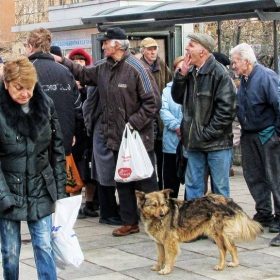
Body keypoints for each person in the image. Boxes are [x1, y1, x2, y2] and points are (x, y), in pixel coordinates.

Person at [52, 27, 161, 236]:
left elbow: (153, 102)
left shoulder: (137, 68)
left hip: (137, 138)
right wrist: (62, 61)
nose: (102, 46)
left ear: (117, 45)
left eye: (106, 42)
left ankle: (161, 222)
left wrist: (133, 123)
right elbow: (83, 73)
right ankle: (130, 222)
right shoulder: (103, 67)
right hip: (117, 139)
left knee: (147, 181)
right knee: (123, 179)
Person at [0, 56, 67, 279]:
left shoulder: (45, 103)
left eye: (29, 87)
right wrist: (3, 196)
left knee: (44, 245)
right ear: (6, 83)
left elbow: (56, 148)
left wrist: (59, 188)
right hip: (8, 189)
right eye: (19, 88)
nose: (25, 93)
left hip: (40, 185)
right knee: (10, 252)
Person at [171, 33, 236, 201]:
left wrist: (207, 133)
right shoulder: (189, 72)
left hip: (216, 144)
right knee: (193, 187)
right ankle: (196, 225)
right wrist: (181, 77)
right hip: (194, 143)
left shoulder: (219, 73)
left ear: (203, 51)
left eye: (191, 45)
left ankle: (220, 226)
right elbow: (177, 98)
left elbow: (227, 109)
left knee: (219, 190)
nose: (186, 48)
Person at [230, 43, 280, 244]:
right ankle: (264, 212)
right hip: (249, 134)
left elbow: (278, 104)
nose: (233, 66)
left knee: (274, 177)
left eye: (234, 62)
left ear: (246, 61)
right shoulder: (244, 79)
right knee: (253, 176)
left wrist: (277, 132)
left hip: (267, 135)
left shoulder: (266, 76)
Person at [25, 28, 83, 195]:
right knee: (59, 185)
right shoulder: (64, 71)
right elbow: (77, 106)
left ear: (30, 46)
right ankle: (59, 219)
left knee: (37, 189)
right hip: (63, 138)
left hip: (33, 140)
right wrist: (71, 132)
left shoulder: (26, 70)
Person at [68, 47, 99, 218]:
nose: (79, 64)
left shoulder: (90, 87)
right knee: (76, 171)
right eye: (76, 61)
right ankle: (76, 204)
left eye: (82, 61)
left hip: (89, 135)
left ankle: (89, 203)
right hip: (75, 135)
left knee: (90, 172)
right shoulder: (68, 85)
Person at [140, 37, 172, 190]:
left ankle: (161, 189)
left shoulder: (162, 66)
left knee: (161, 157)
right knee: (147, 158)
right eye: (149, 49)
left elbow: (169, 87)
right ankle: (149, 190)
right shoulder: (138, 66)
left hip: (160, 118)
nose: (152, 52)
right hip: (146, 118)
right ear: (143, 51)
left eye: (155, 49)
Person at [160, 56, 184, 198]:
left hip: (189, 144)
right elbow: (164, 111)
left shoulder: (193, 87)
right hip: (171, 143)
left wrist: (186, 128)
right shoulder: (167, 91)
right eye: (178, 69)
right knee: (170, 183)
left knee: (192, 183)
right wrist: (178, 127)